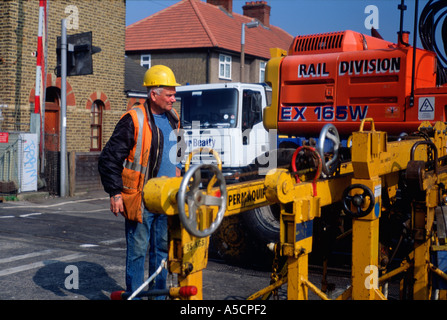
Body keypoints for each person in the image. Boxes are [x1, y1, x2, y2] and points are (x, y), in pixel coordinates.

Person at [98, 65, 183, 298]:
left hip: (165, 199)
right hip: (141, 199)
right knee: (137, 251)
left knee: (162, 250)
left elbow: (179, 153)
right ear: (153, 94)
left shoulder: (174, 118)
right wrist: (115, 193)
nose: (174, 99)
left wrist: (178, 170)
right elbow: (109, 159)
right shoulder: (133, 119)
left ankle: (159, 295)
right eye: (170, 94)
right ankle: (134, 295)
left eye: (174, 94)